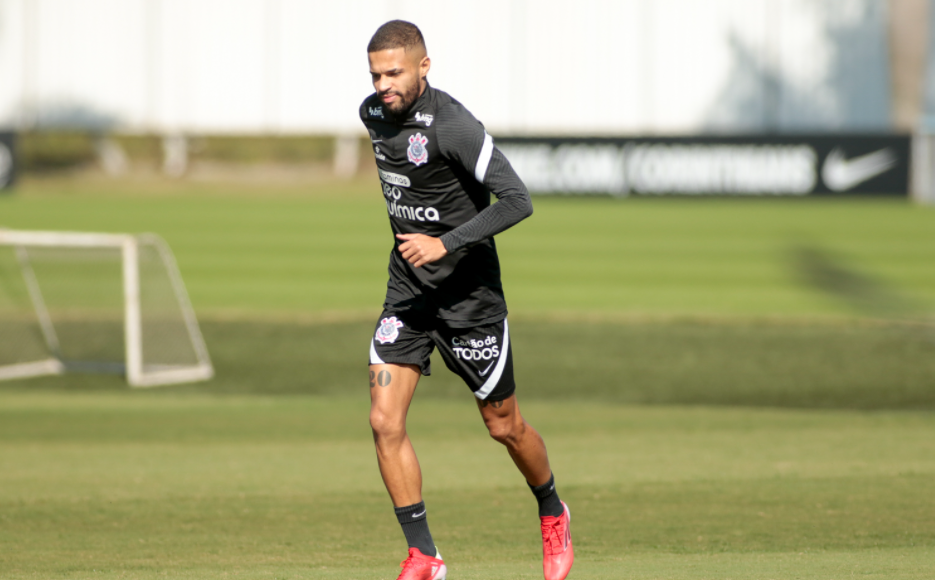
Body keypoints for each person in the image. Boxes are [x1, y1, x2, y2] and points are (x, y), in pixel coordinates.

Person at [360, 20, 573, 580]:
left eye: (395, 72)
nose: (383, 84)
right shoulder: (373, 114)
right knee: (384, 421)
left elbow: (518, 200)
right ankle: (424, 555)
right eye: (376, 73)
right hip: (408, 293)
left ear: (424, 68)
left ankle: (552, 509)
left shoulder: (454, 126)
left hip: (469, 299)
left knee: (504, 427)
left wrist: (445, 243)